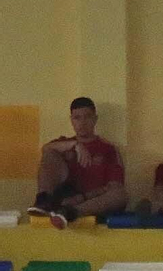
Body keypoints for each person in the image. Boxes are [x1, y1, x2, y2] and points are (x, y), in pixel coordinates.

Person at [28, 96, 128, 229]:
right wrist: (76, 144)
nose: (82, 122)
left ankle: (69, 213)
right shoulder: (63, 144)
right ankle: (43, 201)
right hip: (63, 198)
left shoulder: (108, 149)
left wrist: (82, 198)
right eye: (77, 118)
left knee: (120, 195)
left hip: (91, 204)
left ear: (95, 119)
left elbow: (115, 187)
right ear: (71, 120)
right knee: (49, 153)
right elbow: (46, 148)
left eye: (87, 117)